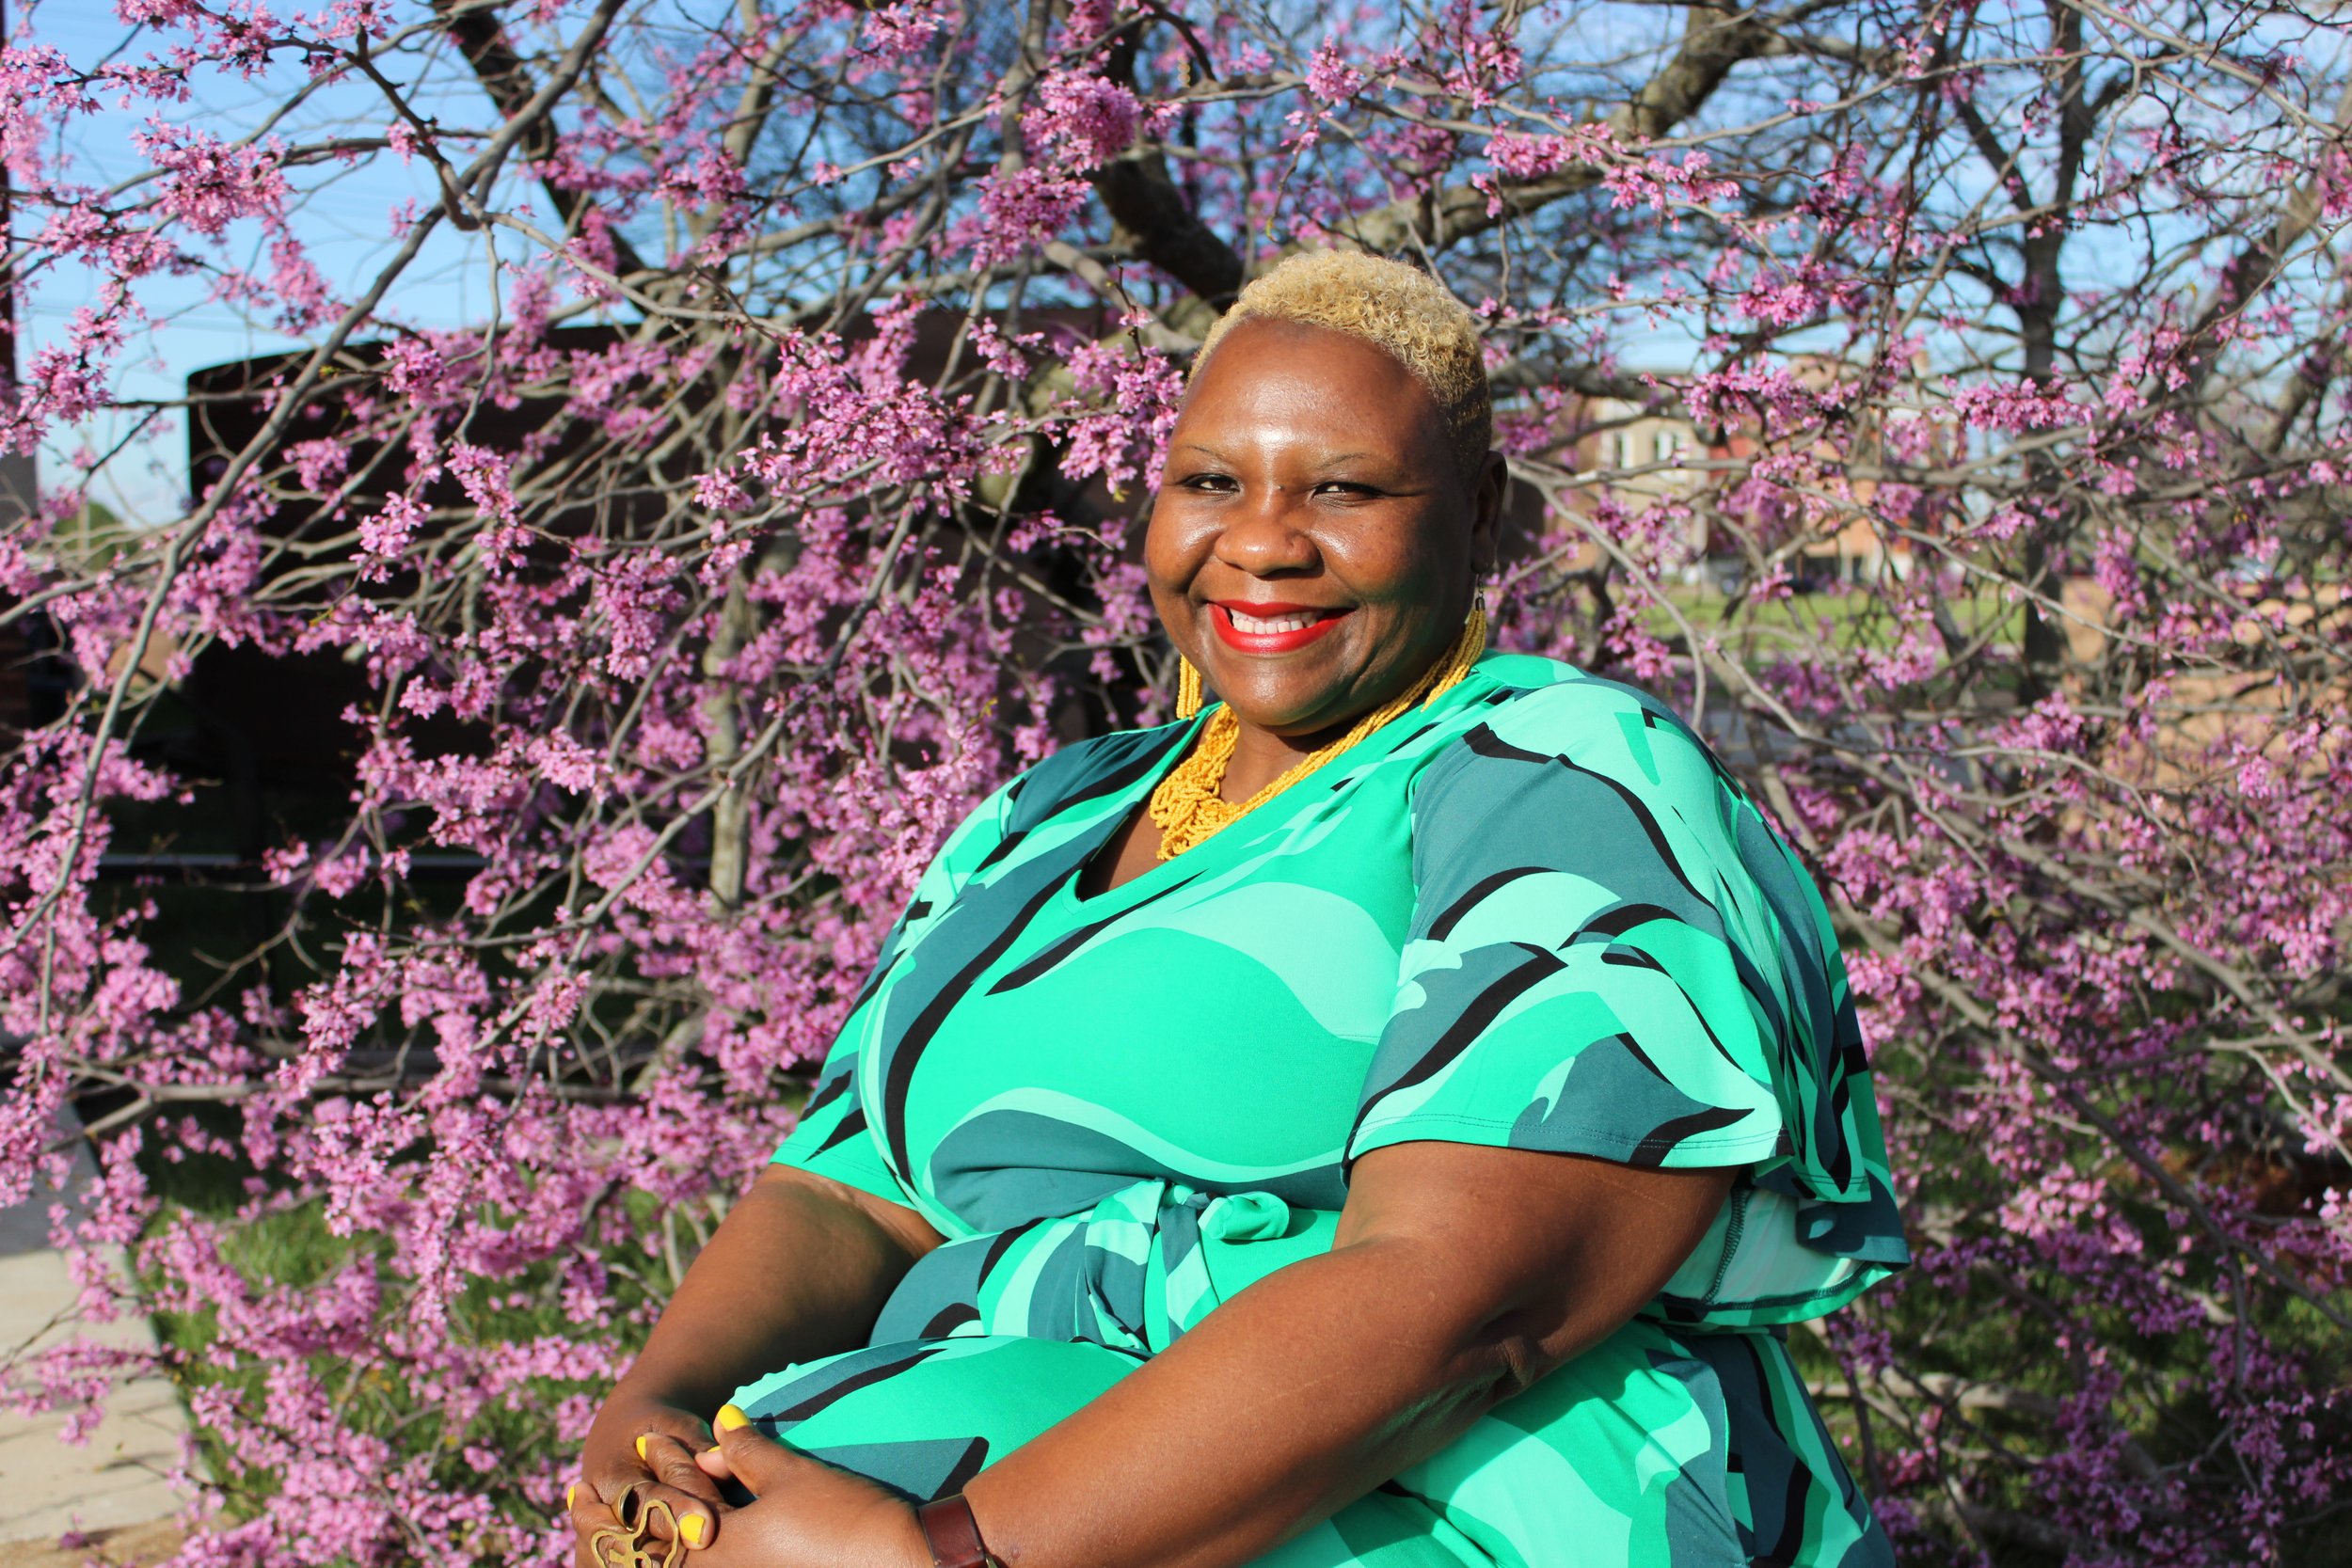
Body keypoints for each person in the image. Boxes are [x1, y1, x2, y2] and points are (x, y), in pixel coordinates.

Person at [565, 250, 1909, 1568]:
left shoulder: (1551, 769)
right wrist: (654, 1418)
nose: (1261, 543)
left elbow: (1465, 1300)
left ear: (1481, 513)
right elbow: (855, 1188)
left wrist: (945, 1554)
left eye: (1345, 488)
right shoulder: (1043, 816)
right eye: (1210, 482)